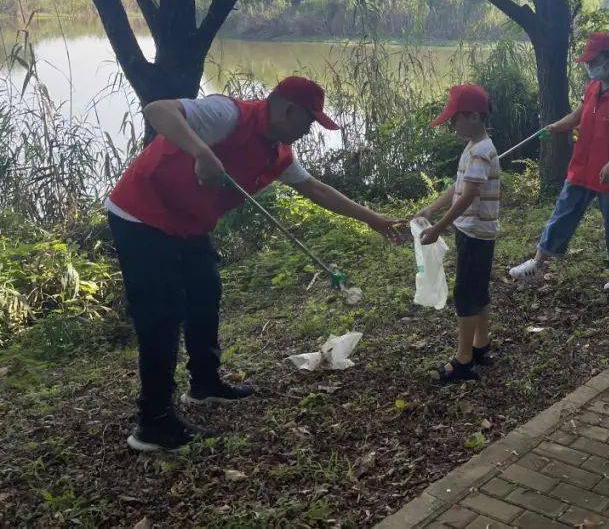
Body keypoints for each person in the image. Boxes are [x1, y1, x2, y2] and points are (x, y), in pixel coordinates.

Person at [107, 76, 401, 453]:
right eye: (309, 122)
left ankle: (205, 384)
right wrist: (201, 151)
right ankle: (153, 422)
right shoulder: (227, 114)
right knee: (162, 314)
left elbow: (314, 189)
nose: (309, 131)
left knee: (205, 294)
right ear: (287, 110)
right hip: (141, 214)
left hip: (188, 222)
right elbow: (158, 110)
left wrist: (372, 218)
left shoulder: (278, 152)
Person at [509, 32, 609, 293]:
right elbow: (578, 115)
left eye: (593, 60)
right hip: (584, 166)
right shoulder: (593, 87)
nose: (589, 66)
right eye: (587, 61)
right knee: (563, 212)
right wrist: (555, 127)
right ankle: (539, 262)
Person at [417, 84, 500, 385]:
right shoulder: (473, 148)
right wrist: (432, 209)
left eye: (455, 119)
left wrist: (437, 229)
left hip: (476, 234)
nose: (452, 125)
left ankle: (463, 361)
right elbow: (457, 188)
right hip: (472, 232)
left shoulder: (480, 151)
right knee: (477, 291)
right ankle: (481, 345)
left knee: (466, 296)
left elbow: (467, 197)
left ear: (474, 116)